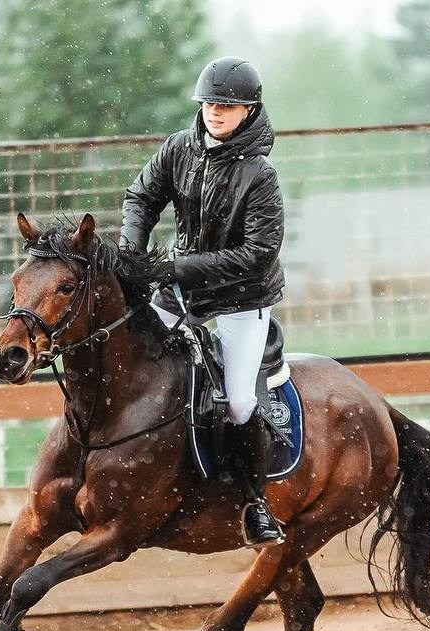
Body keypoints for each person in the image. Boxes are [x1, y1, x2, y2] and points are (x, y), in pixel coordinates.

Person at [120, 56, 287, 546]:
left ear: (249, 110)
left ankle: (256, 503)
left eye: (229, 105)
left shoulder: (260, 176)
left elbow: (256, 256)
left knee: (236, 400)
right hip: (181, 290)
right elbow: (140, 197)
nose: (216, 111)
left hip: (241, 299)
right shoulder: (179, 148)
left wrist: (172, 268)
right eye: (211, 102)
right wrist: (133, 252)